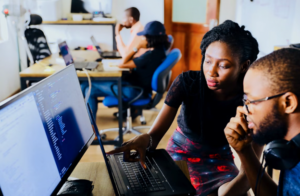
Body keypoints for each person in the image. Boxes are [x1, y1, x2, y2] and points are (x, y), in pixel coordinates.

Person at [107, 20, 261, 196]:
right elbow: (154, 138)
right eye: (208, 61)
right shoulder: (187, 83)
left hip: (220, 160)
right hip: (181, 154)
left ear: (244, 66)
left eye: (223, 65)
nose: (211, 72)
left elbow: (251, 170)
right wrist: (145, 140)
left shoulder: (253, 102)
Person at [224, 48, 300, 196]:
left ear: (288, 103)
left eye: (252, 101)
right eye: (245, 100)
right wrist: (244, 151)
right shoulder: (290, 146)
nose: (244, 110)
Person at [82, 21, 170, 120]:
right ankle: (91, 126)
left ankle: (86, 124)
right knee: (89, 90)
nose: (142, 39)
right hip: (138, 88)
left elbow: (122, 64)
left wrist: (136, 47)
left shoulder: (150, 56)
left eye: (144, 37)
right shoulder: (160, 52)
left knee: (86, 85)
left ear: (151, 38)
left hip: (134, 91)